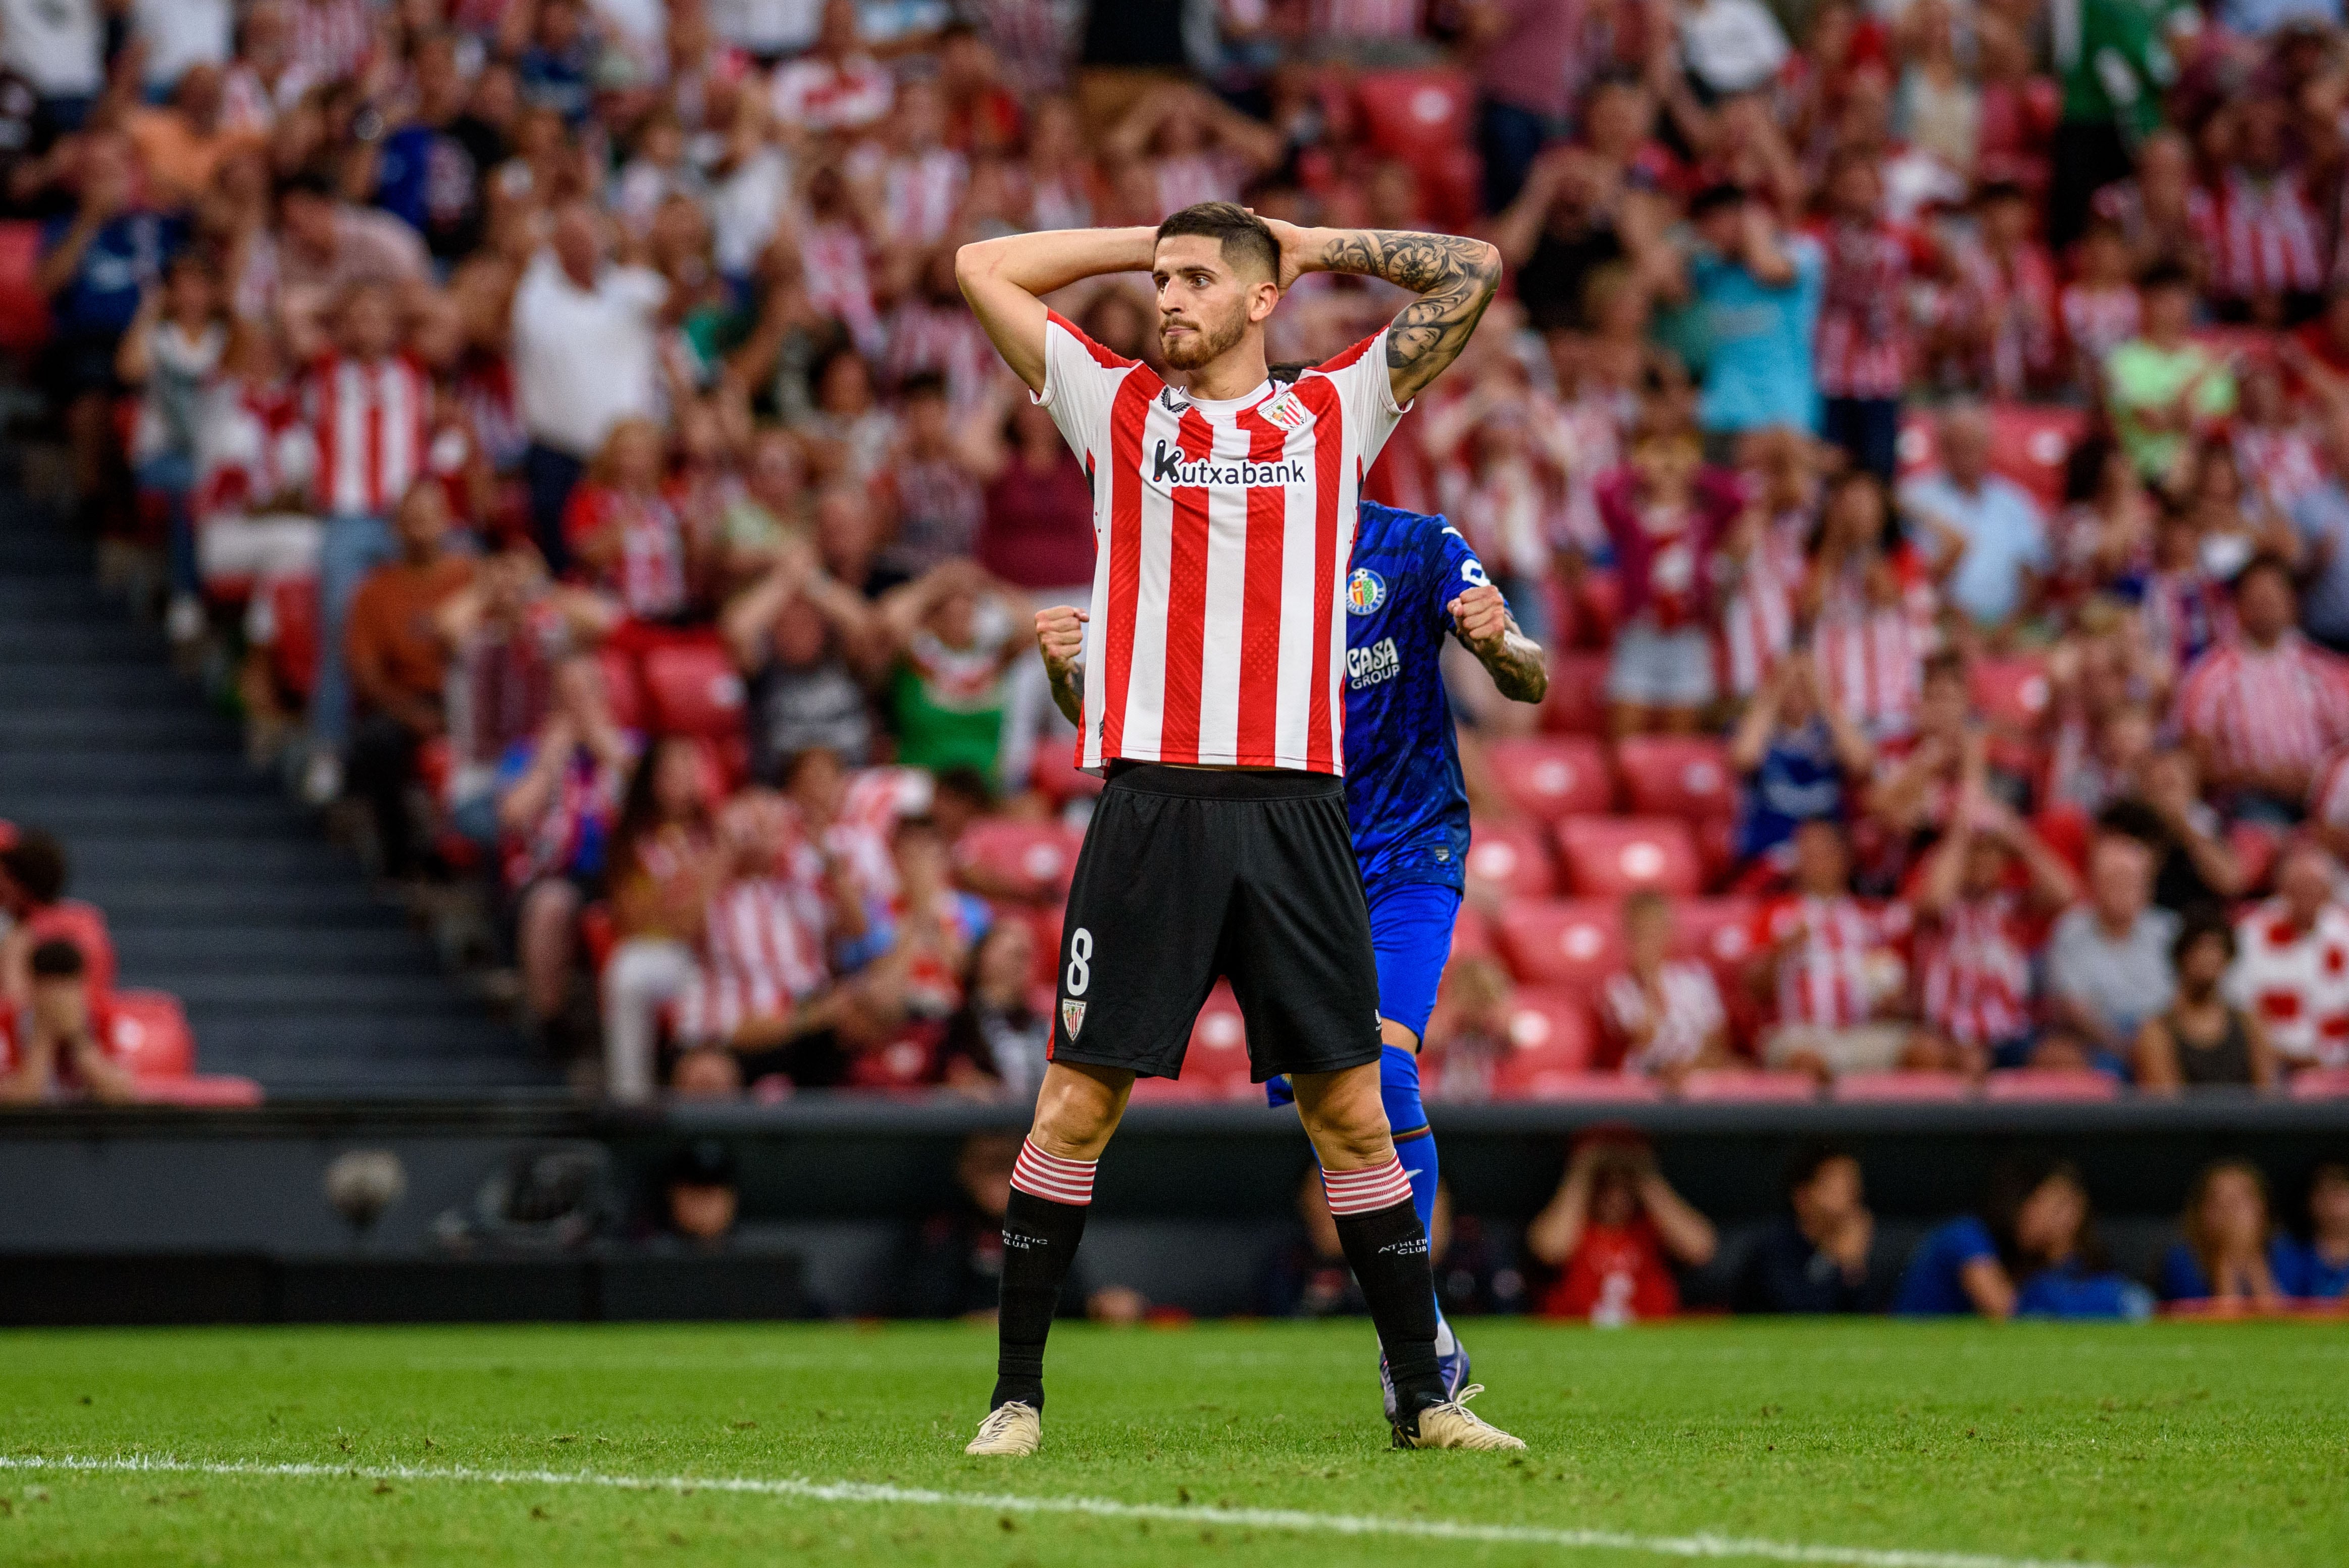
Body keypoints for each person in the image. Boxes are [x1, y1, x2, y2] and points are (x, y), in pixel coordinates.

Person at [953, 200, 1517, 1455]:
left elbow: (1472, 270)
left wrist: (1312, 245)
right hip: (1150, 806)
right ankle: (1015, 1396)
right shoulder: (1114, 407)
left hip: (1295, 812)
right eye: (1162, 280)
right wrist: (1152, 234)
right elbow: (980, 264)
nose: (1167, 296)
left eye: (1198, 280)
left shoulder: (1335, 411)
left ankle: (1426, 1398)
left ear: (1264, 301)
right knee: (1073, 1104)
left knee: (1352, 1113)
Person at [1229, 494, 1543, 1411]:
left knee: (1387, 1074)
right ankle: (1420, 1333)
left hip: (1410, 851)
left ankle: (1415, 1341)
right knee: (1335, 1106)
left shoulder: (1412, 541)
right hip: (1292, 865)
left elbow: (1528, 677)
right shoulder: (1231, 546)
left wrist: (1500, 649)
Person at [343, 483, 475, 882]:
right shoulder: (374, 591)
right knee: (376, 741)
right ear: (395, 528)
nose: (420, 528)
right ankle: (400, 858)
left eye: (429, 517)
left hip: (467, 695)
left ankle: (465, 860)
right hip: (404, 702)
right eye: (411, 519)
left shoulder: (473, 577)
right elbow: (366, 676)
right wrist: (412, 714)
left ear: (448, 522)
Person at [893, 1133, 1145, 1323]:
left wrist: (1099, 1305)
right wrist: (979, 1319)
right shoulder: (940, 1226)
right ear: (965, 1170)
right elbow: (916, 1306)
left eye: (1006, 1164)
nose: (998, 1178)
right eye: (988, 1166)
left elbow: (1068, 1301)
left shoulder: (1044, 1225)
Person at [2175, 554, 2349, 823]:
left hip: (2323, 800)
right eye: (2256, 597)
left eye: (2274, 595)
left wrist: (2316, 780)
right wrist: (2260, 778)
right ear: (2238, 608)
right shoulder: (2210, 675)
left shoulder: (2326, 670)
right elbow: (2194, 763)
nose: (2265, 604)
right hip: (2248, 803)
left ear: (2292, 604)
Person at [1896, 1157, 2150, 1320]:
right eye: (2056, 1207)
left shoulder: (2034, 1262)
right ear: (2022, 1202)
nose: (2067, 1221)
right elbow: (2006, 1312)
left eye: (2073, 1211)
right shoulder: (1966, 1235)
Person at [1526, 1132, 1717, 1323]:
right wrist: (1583, 1169)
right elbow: (1550, 1251)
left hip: (1650, 1340)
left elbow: (1700, 1249)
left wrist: (1645, 1175)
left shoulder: (1653, 1226)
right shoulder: (1572, 1225)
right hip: (1578, 1341)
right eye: (1604, 1182)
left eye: (1623, 1184)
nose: (1614, 1195)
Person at [1899, 404, 2048, 637]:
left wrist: (2010, 626)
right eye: (1956, 445)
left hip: (2005, 628)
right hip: (1938, 627)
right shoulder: (1914, 497)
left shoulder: (2015, 502)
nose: (1964, 454)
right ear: (1942, 447)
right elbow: (1909, 570)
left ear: (1987, 447)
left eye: (1971, 445)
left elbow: (2032, 571)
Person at [2043, 828, 2180, 1076]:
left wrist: (2154, 1043)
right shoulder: (2071, 931)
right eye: (2114, 881)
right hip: (2098, 1042)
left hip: (2165, 1036)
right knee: (2062, 1056)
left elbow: (2185, 999)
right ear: (2094, 885)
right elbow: (2073, 1008)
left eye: (2131, 881)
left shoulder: (2169, 931)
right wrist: (2121, 1046)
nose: (2123, 890)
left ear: (2147, 887)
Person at [1730, 1142, 1899, 1314]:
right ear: (1802, 1197)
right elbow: (1797, 1313)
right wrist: (1833, 1259)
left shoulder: (1864, 1246)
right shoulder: (1772, 1248)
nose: (1849, 1200)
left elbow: (1864, 1319)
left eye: (1852, 1188)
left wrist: (1853, 1267)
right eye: (1835, 1188)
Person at [1603, 891, 1733, 1086]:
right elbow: (1643, 1039)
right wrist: (1648, 979)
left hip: (1700, 1071)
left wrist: (1691, 1067)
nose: (1647, 942)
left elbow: (1718, 1039)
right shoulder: (1618, 988)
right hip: (1648, 1078)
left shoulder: (1696, 976)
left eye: (1654, 932)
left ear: (1668, 933)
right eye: (1639, 934)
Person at [2135, 912, 2279, 1091]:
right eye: (2200, 948)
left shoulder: (2250, 1024)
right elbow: (2166, 1107)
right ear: (2182, 956)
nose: (2208, 957)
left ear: (2227, 959)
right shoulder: (2157, 1032)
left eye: (2216, 948)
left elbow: (2267, 1096)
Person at [0, 940, 137, 1105]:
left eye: (67, 991)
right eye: (51, 992)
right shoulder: (9, 1024)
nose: (60, 1002)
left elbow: (122, 1094)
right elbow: (15, 1103)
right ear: (34, 988)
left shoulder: (103, 1019)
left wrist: (78, 1039)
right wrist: (43, 1038)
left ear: (82, 986)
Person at [2158, 1159, 2292, 1307]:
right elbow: (2224, 1319)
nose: (2230, 1211)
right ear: (2200, 1212)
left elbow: (2283, 1319)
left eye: (2240, 1200)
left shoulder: (2288, 1256)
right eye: (2218, 1201)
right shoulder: (2181, 1262)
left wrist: (2253, 1261)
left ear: (2264, 1208)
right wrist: (2225, 1259)